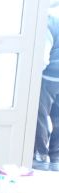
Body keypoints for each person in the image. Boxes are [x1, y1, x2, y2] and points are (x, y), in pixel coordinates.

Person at [34, 10, 59, 171]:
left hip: (49, 78)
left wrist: (34, 74)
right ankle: (56, 157)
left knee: (40, 116)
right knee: (57, 119)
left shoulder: (49, 24)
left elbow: (42, 56)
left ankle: (41, 156)